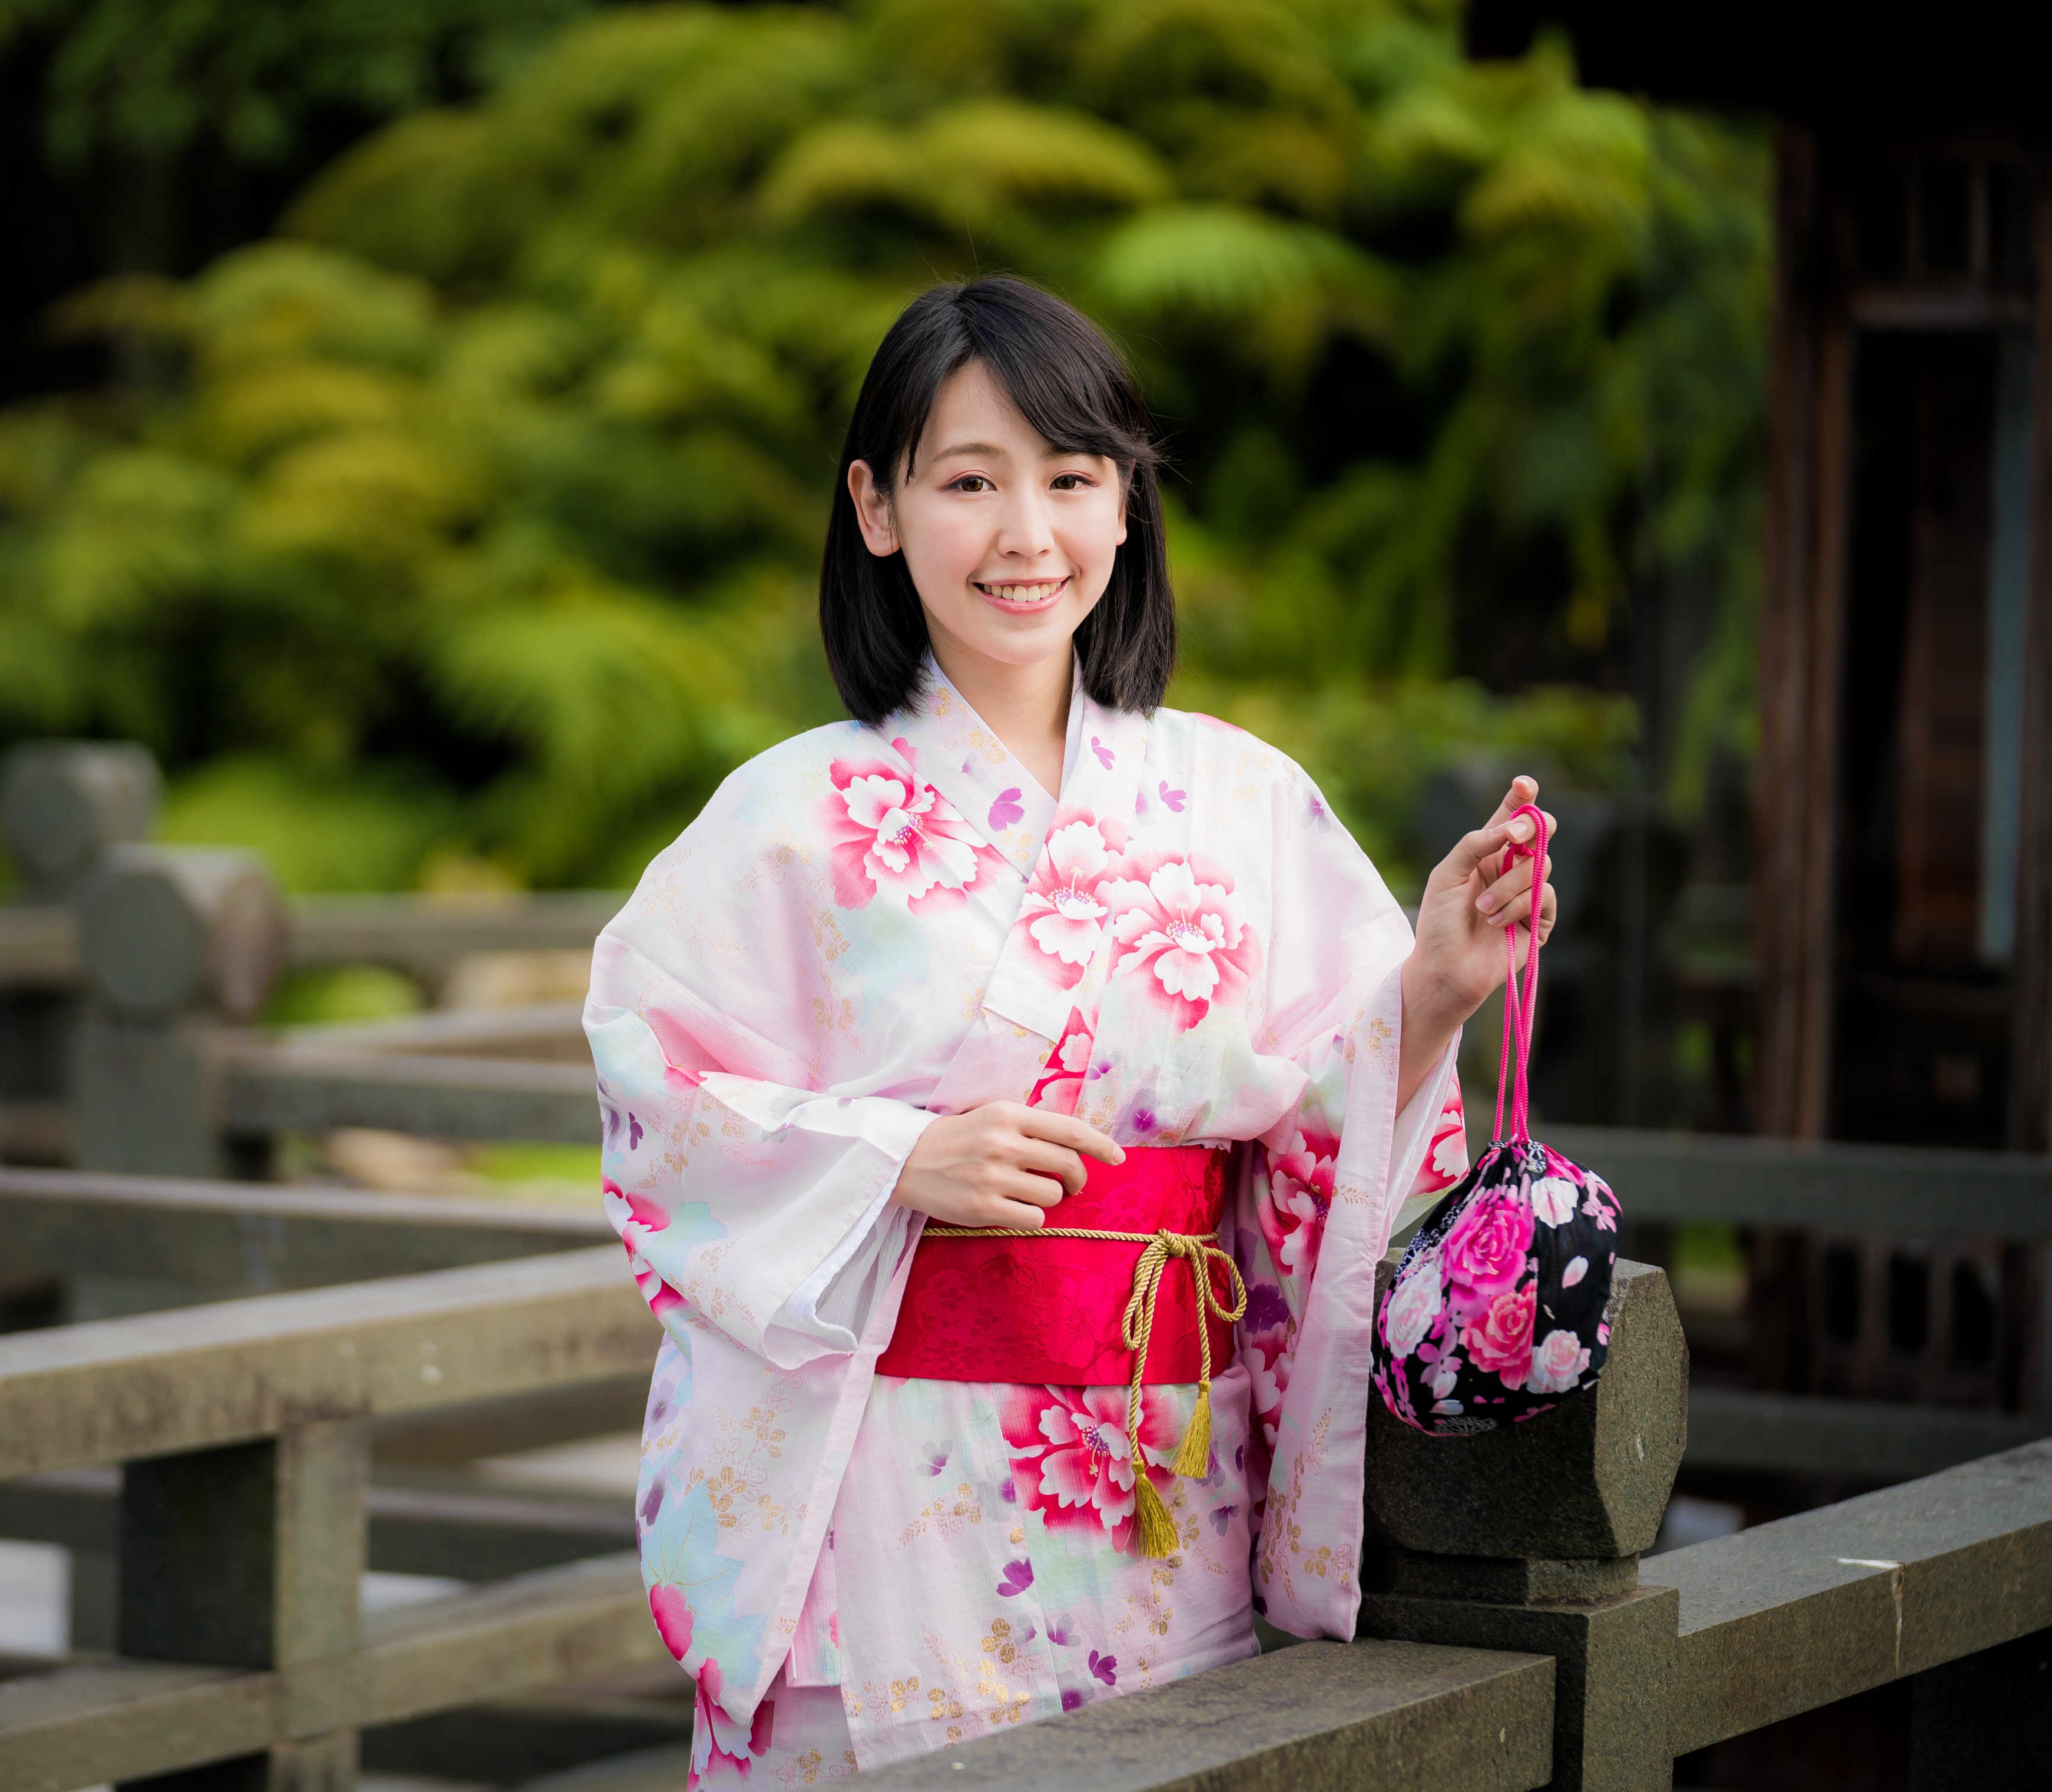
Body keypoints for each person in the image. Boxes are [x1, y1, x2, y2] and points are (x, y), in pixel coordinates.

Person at [584, 276, 1557, 1784]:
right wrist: (898, 1155)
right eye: (968, 481)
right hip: (896, 1486)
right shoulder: (783, 819)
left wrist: (1431, 989)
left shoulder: (1243, 801)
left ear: (1123, 509)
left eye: (1070, 477)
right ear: (878, 505)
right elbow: (657, 1095)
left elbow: (1322, 1114)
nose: (1024, 532)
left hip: (1166, 1471)